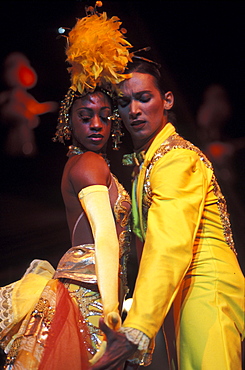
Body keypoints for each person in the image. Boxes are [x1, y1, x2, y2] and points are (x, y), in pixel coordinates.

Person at [0, 3, 133, 369]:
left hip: (94, 291)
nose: (96, 124)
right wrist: (110, 312)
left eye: (105, 117)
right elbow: (104, 235)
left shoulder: (82, 163)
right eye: (85, 116)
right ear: (68, 121)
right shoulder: (89, 163)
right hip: (90, 299)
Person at [91, 60, 245, 369]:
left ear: (168, 100)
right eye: (124, 102)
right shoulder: (148, 163)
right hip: (181, 297)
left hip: (205, 294)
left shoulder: (174, 159)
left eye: (144, 98)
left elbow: (168, 243)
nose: (134, 110)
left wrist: (137, 328)